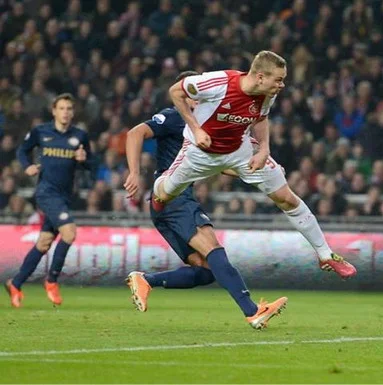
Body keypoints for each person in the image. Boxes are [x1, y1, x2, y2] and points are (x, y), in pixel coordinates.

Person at [152, 50, 357, 279]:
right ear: (260, 76)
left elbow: (261, 117)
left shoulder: (267, 92)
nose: (282, 85)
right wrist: (196, 128)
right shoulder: (217, 82)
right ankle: (157, 191)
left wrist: (264, 149)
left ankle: (325, 253)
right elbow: (175, 91)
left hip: (240, 151)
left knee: (286, 197)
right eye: (278, 80)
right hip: (200, 152)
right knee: (164, 194)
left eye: (283, 80)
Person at [123, 71, 286, 330]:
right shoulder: (175, 117)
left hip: (171, 205)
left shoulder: (206, 124)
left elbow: (223, 166)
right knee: (214, 249)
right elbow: (134, 134)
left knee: (206, 270)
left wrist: (256, 169)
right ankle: (253, 311)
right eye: (196, 94)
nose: (203, 98)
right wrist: (134, 172)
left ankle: (146, 280)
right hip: (174, 199)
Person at [5, 94, 92, 307]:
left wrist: (84, 160)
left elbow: (91, 163)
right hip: (46, 192)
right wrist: (27, 166)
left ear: (73, 112)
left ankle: (15, 283)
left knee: (44, 243)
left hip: (65, 196)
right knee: (69, 233)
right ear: (54, 111)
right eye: (61, 108)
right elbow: (22, 150)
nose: (65, 112)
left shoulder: (80, 135)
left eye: (69, 108)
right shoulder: (40, 132)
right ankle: (52, 281)